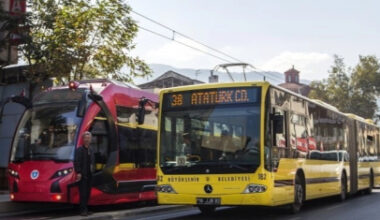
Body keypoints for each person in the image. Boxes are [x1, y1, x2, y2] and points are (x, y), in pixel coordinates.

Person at [74, 131, 94, 216]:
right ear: (83, 139)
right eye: (85, 138)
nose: (87, 139)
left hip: (89, 175)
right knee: (83, 193)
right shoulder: (80, 150)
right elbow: (77, 162)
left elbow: (93, 161)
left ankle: (86, 209)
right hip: (82, 175)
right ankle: (82, 210)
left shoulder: (91, 149)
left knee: (88, 193)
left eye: (88, 138)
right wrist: (78, 172)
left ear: (91, 139)